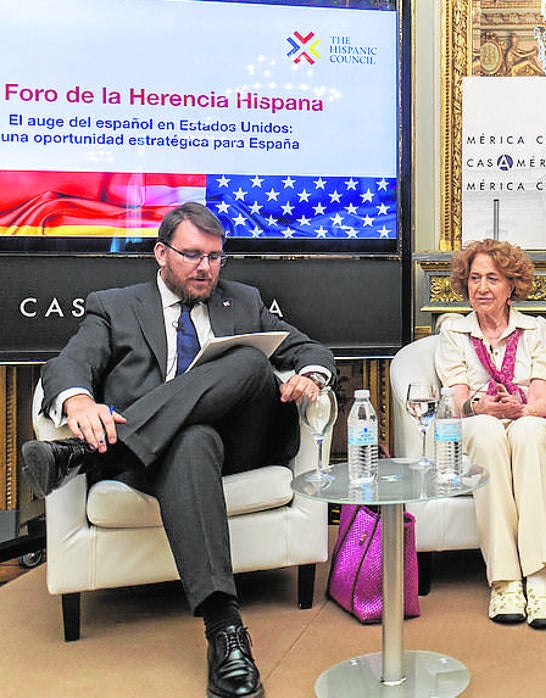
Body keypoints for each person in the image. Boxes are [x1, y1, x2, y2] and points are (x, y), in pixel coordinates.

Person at [21, 201, 335, 698]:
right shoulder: (115, 306)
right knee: (191, 440)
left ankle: (90, 455)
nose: (206, 268)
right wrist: (79, 400)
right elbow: (66, 365)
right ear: (160, 254)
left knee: (250, 365)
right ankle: (225, 631)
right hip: (168, 457)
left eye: (215, 257)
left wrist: (310, 376)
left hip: (242, 443)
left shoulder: (245, 300)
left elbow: (312, 350)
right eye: (192, 255)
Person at [436, 239, 546, 629]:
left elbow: (543, 400)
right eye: (475, 278)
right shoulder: (454, 334)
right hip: (481, 422)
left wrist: (520, 408)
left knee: (528, 431)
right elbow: (458, 403)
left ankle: (541, 580)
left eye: (492, 279)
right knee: (485, 431)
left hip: (528, 416)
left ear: (512, 285)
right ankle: (506, 582)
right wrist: (483, 407)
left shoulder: (536, 330)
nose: (482, 288)